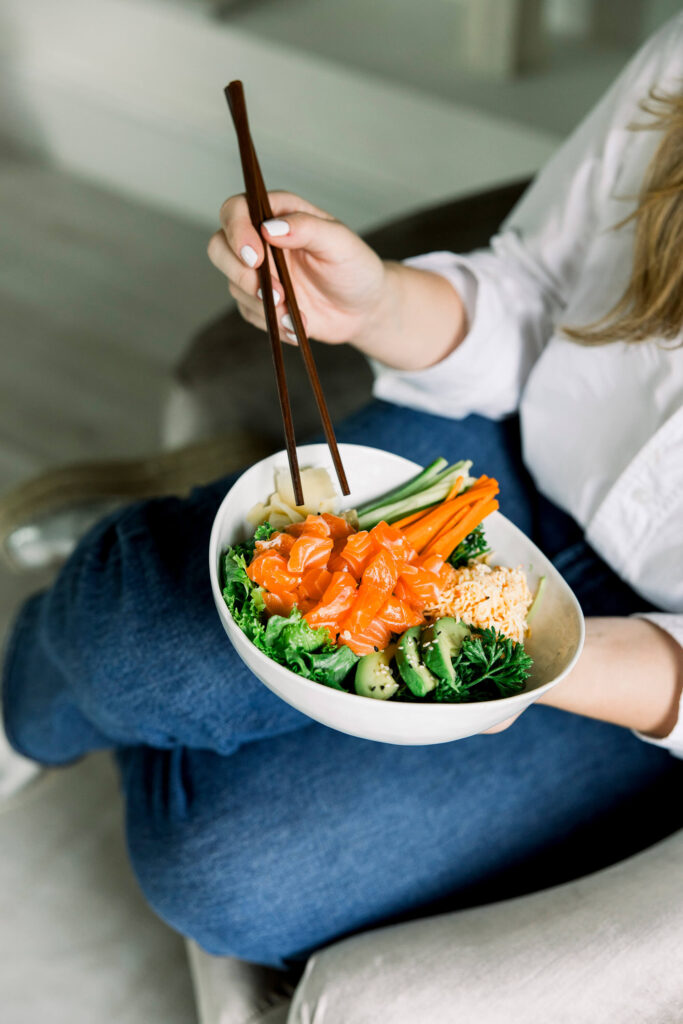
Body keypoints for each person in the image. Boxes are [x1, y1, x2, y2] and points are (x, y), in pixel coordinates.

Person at [2, 16, 682, 971]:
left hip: (650, 687)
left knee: (228, 880)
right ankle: (43, 688)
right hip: (500, 459)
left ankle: (173, 580)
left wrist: (547, 660)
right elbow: (536, 290)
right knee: (150, 648)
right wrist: (377, 305)